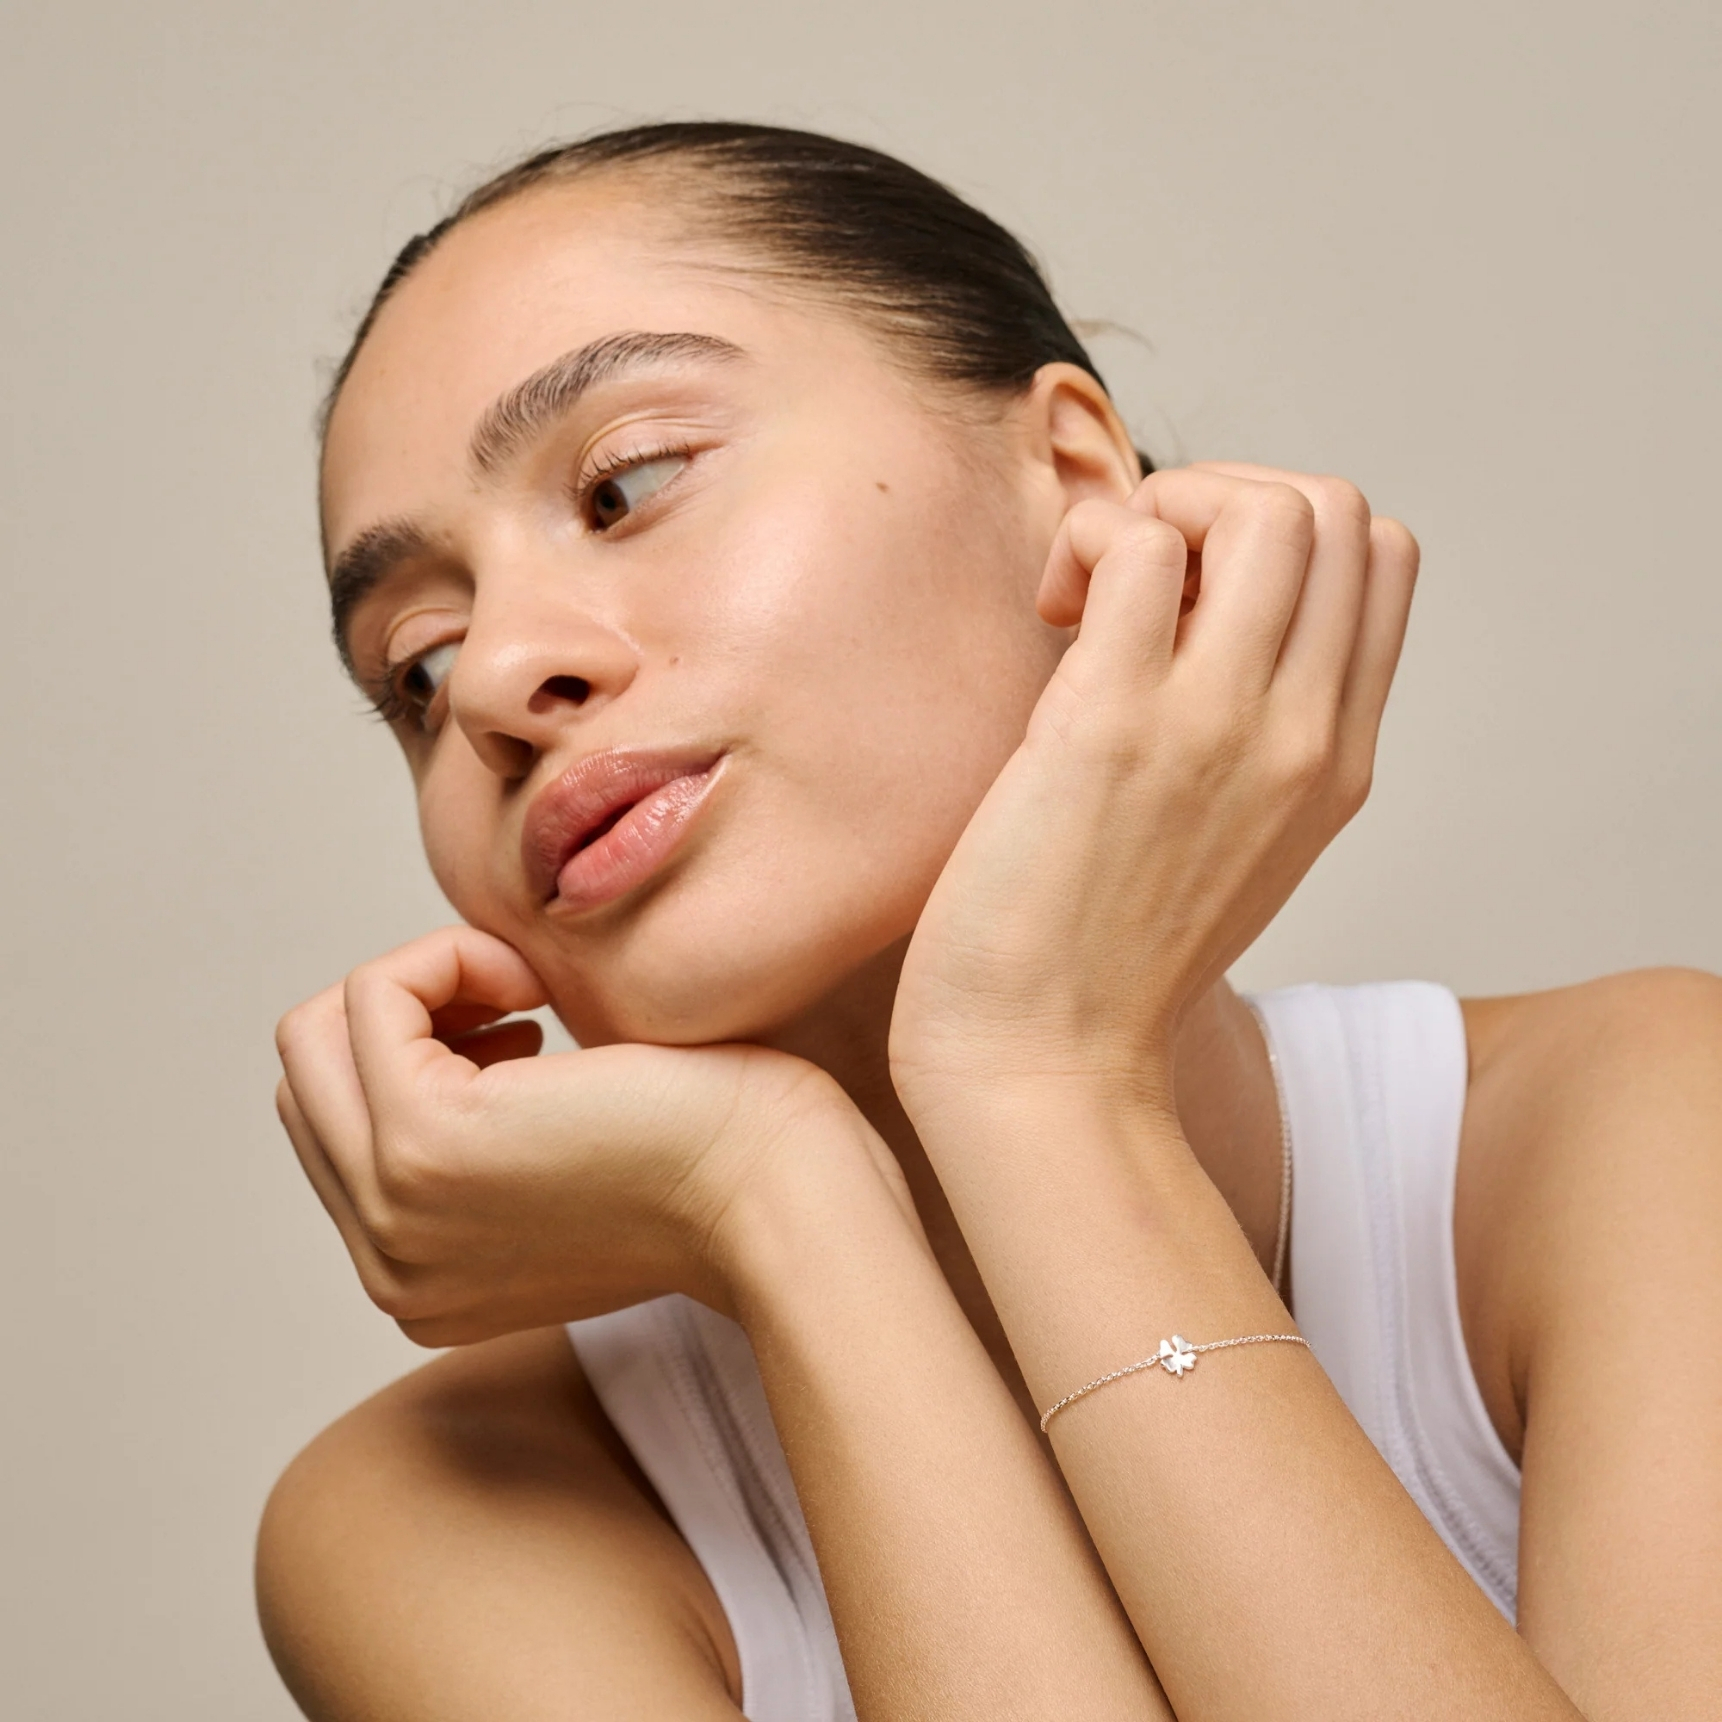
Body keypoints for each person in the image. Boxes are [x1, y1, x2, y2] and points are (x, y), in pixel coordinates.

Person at [259, 123, 1721, 1721]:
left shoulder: (1640, 1125)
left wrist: (1033, 1078)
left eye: (627, 485)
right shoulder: (436, 1513)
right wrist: (778, 1203)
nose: (486, 685)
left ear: (1073, 481)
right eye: (416, 660)